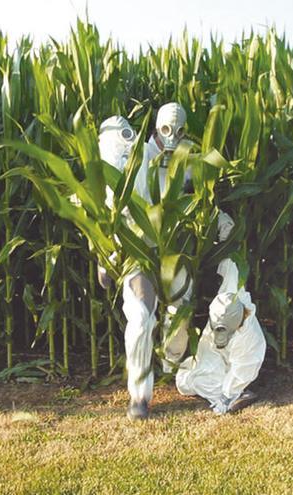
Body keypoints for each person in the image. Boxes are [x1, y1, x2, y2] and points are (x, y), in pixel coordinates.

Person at [97, 104, 235, 420]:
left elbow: (203, 197)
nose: (172, 138)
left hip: (174, 253)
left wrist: (221, 221)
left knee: (182, 310)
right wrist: (104, 255)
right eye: (165, 131)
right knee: (142, 319)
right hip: (138, 254)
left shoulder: (186, 160)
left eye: (179, 131)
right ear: (156, 130)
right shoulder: (134, 157)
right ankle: (140, 396)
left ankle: (171, 365)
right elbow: (110, 204)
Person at [175, 258, 265, 414]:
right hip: (215, 353)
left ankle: (239, 395)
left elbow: (242, 370)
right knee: (184, 381)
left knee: (198, 382)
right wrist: (226, 241)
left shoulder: (249, 340)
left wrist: (226, 396)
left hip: (234, 365)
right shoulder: (229, 297)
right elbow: (231, 266)